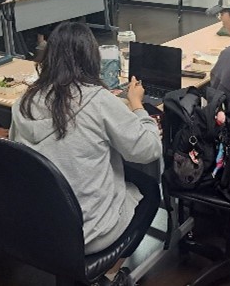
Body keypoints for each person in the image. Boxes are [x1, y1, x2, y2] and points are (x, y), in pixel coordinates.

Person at [10, 21, 161, 257]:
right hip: (89, 232)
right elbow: (148, 150)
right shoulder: (98, 100)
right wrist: (137, 105)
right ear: (92, 58)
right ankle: (112, 270)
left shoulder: (24, 102)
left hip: (39, 225)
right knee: (150, 189)